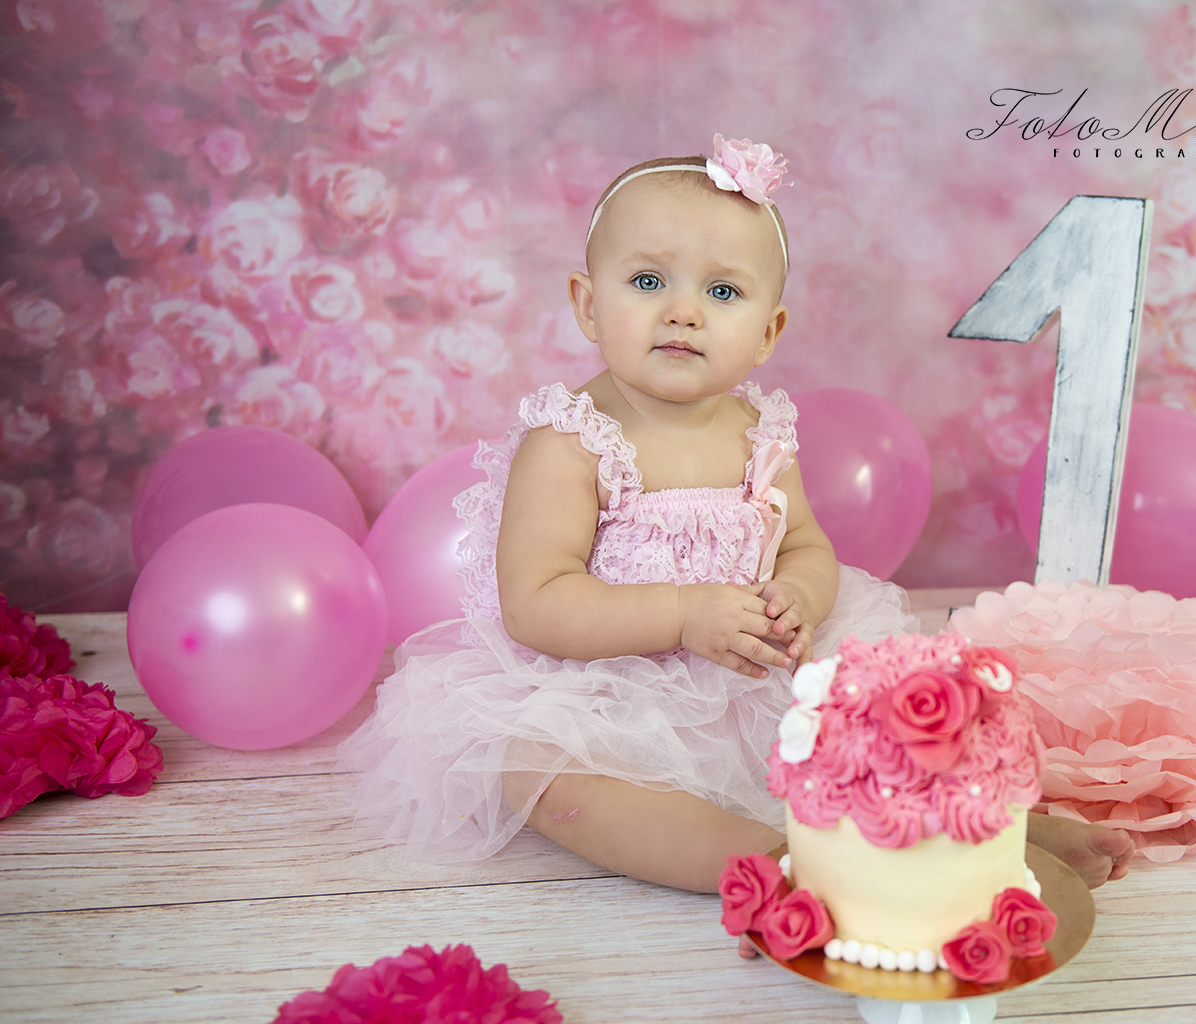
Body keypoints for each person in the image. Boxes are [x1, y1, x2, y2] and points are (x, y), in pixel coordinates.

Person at [340, 135, 1132, 897]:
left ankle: (998, 827)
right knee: (541, 772)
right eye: (647, 281)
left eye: (721, 292)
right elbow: (536, 603)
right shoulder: (570, 441)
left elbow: (806, 545)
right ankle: (773, 860)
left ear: (766, 333)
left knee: (889, 717)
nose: (683, 312)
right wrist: (685, 615)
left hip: (755, 678)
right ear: (587, 304)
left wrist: (799, 597)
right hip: (609, 691)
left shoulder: (762, 432)